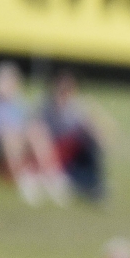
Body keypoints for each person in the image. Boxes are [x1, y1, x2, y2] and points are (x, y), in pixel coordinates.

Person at [0, 61, 67, 205]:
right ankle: (22, 179)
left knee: (36, 130)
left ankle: (51, 173)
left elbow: (28, 123)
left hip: (16, 144)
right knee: (8, 136)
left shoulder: (18, 104)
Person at [41, 70, 113, 202]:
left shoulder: (76, 107)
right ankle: (91, 186)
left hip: (74, 152)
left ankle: (95, 185)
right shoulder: (47, 108)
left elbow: (104, 132)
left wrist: (95, 113)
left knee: (90, 144)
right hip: (57, 151)